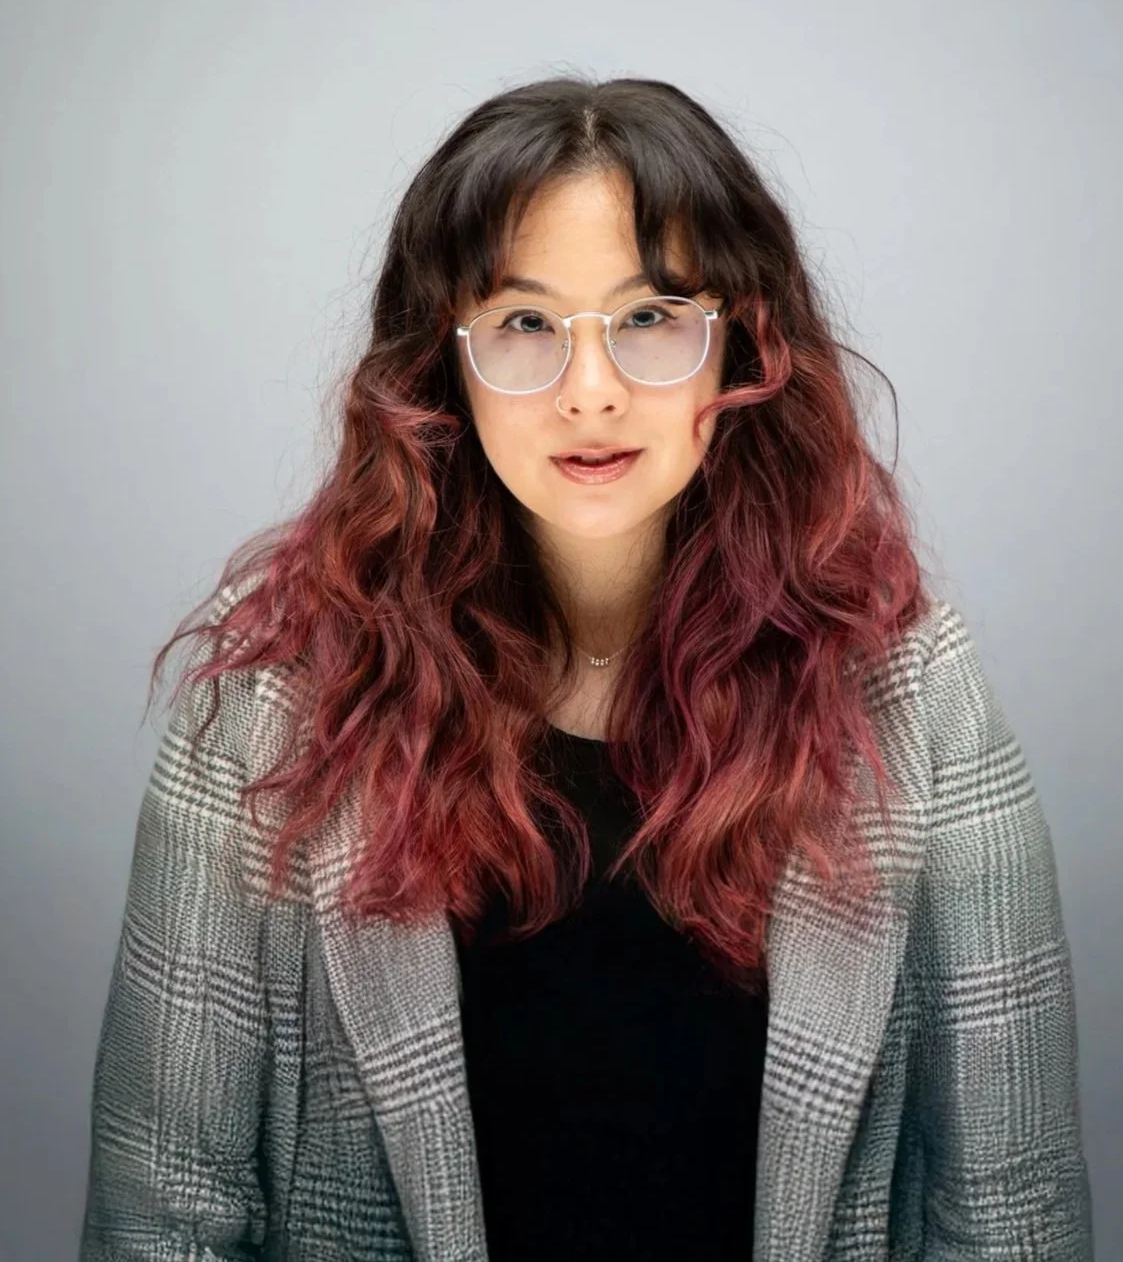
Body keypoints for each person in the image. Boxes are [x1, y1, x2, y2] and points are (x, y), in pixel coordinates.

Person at [79, 76, 1093, 1261]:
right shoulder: (273, 709)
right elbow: (164, 1219)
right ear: (439, 365)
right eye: (523, 325)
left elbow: (1010, 1216)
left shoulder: (913, 696)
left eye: (653, 316)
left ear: (743, 346)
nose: (592, 389)